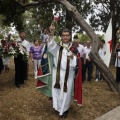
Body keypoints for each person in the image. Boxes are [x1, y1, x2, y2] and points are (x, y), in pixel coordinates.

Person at [47, 24, 77, 118]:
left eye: (67, 35)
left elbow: (77, 62)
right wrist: (51, 33)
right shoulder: (57, 47)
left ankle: (64, 110)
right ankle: (58, 108)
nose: (65, 37)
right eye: (63, 35)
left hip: (69, 74)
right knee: (57, 90)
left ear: (70, 36)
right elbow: (50, 46)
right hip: (57, 73)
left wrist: (73, 58)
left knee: (66, 92)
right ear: (61, 36)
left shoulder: (73, 48)